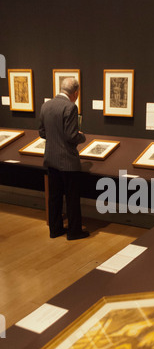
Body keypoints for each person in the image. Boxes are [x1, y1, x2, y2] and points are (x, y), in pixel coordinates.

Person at [39, 77, 89, 240]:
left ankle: (55, 229)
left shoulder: (46, 105)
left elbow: (42, 132)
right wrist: (82, 137)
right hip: (67, 161)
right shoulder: (70, 107)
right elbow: (71, 136)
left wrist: (54, 138)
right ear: (75, 93)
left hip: (51, 159)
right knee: (72, 198)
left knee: (54, 197)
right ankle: (74, 231)